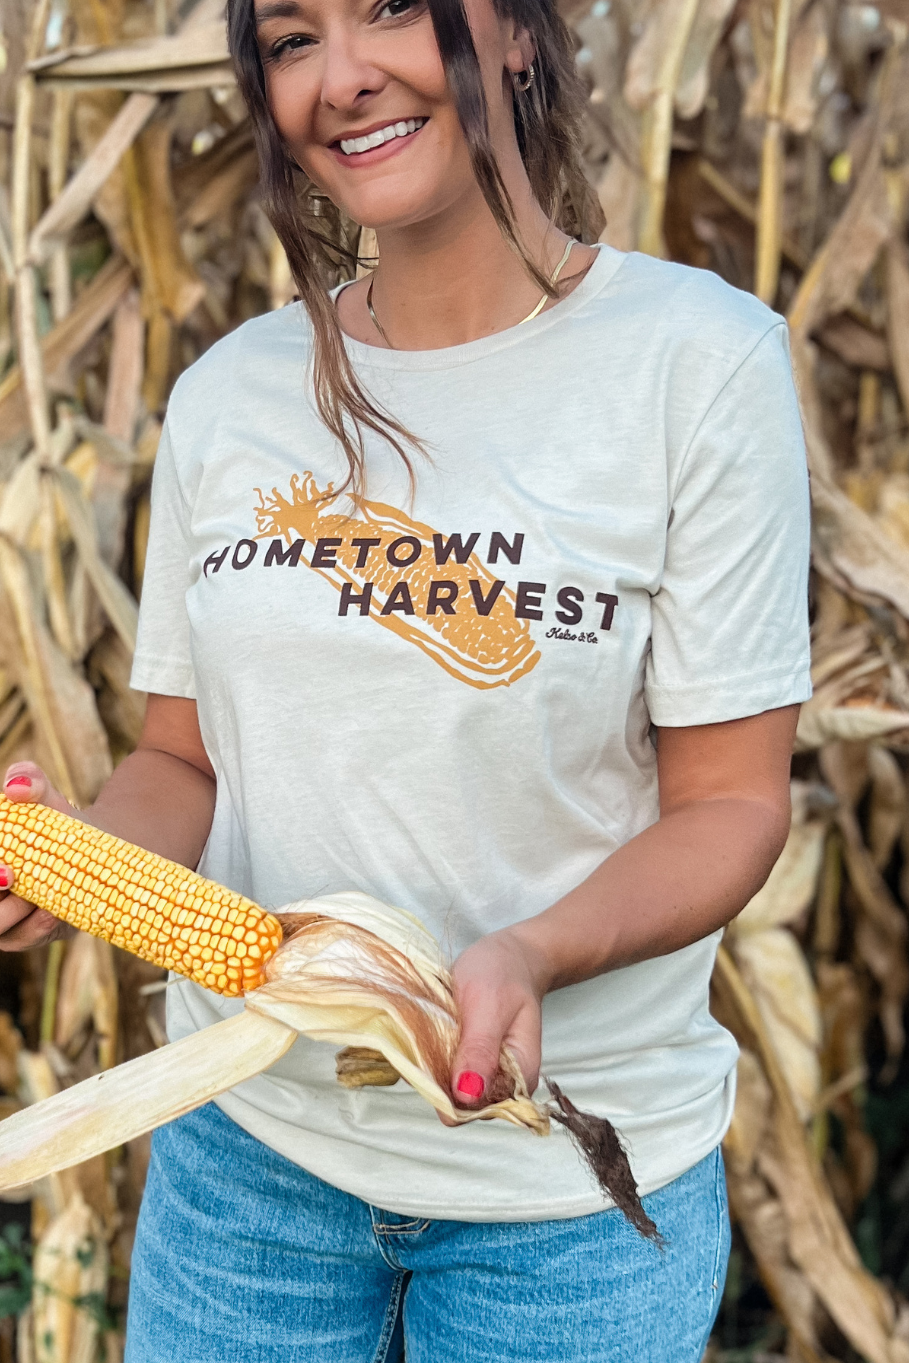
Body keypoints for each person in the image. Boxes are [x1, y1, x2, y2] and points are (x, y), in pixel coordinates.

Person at [0, 0, 812, 1353]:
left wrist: (531, 954)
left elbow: (729, 805)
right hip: (249, 1162)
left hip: (559, 1187)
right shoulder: (230, 395)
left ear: (510, 31)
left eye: (389, 10)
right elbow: (182, 763)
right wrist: (70, 855)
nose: (344, 77)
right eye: (291, 39)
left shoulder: (700, 366)